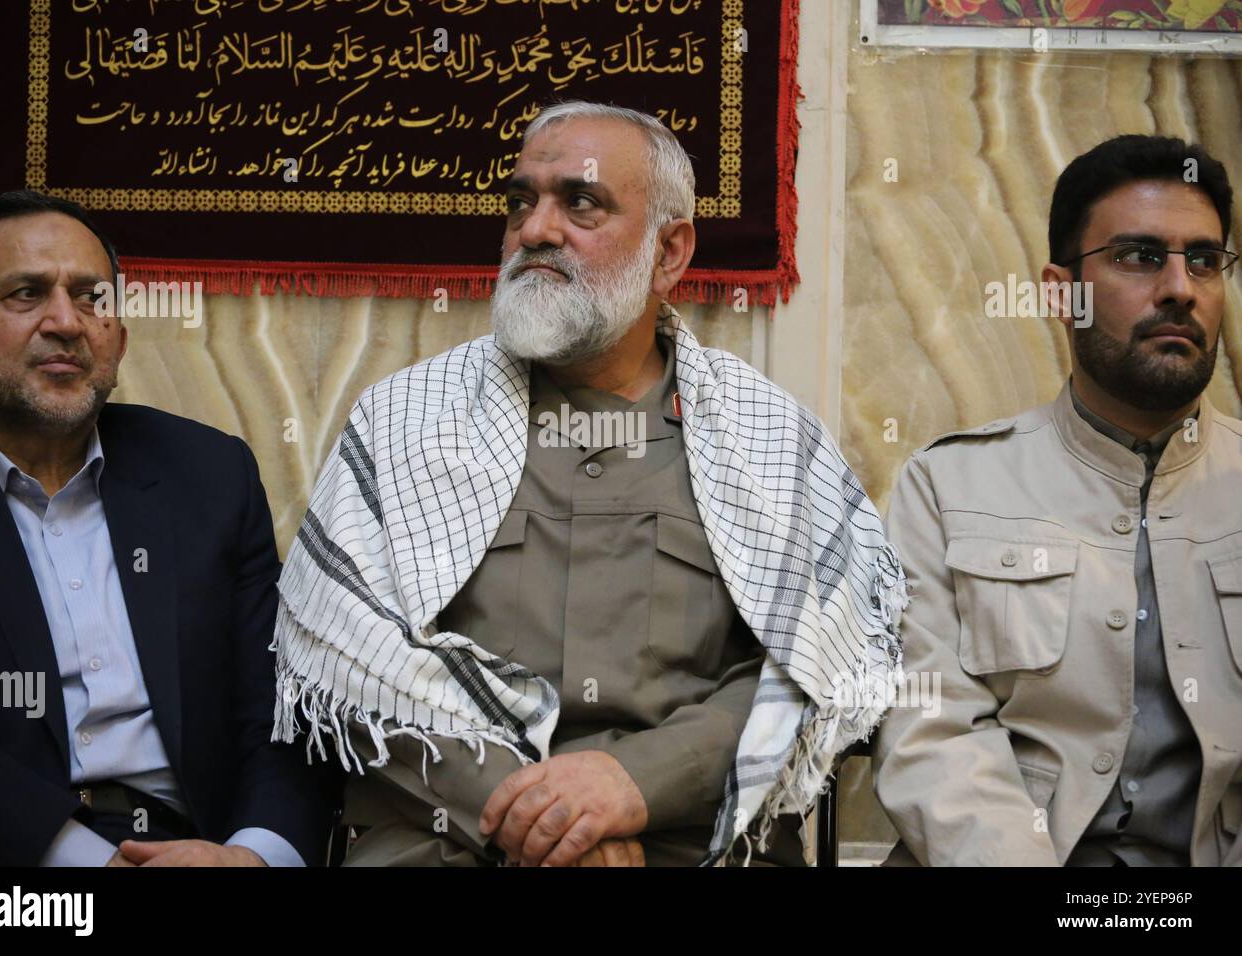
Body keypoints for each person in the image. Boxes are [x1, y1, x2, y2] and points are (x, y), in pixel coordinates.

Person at [272, 101, 906, 867]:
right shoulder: (405, 420)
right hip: (455, 845)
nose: (535, 230)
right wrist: (549, 824)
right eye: (520, 203)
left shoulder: (767, 436)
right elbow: (353, 653)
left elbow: (812, 671)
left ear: (669, 253)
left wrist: (634, 784)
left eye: (580, 202)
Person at [874, 135, 1242, 866]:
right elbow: (931, 735)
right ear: (1059, 289)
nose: (1181, 287)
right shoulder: (948, 488)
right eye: (1140, 256)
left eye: (1204, 260)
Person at [0, 190, 337, 866]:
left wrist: (252, 856)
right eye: (26, 294)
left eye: (91, 297)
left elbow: (285, 709)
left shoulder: (211, 477)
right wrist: (80, 861)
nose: (66, 321)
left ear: (118, 341)